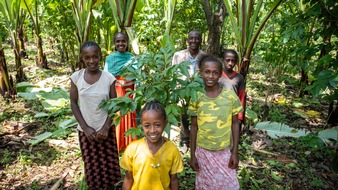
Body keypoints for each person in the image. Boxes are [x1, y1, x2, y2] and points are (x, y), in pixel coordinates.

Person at [70, 41, 121, 189]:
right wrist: (85, 127)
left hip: (106, 129)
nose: (91, 61)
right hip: (87, 132)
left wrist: (106, 127)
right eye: (87, 57)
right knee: (92, 165)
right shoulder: (76, 77)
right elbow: (73, 103)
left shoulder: (109, 78)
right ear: (82, 58)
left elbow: (114, 103)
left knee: (109, 164)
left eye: (95, 57)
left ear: (100, 57)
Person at [188, 54, 243, 189]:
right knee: (205, 185)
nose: (210, 76)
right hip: (203, 152)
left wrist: (234, 152)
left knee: (230, 185)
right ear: (201, 73)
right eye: (207, 72)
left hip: (223, 151)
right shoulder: (196, 96)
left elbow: (235, 124)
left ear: (220, 75)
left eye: (215, 73)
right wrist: (192, 155)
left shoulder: (230, 97)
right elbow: (194, 127)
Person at [120, 100, 184, 190]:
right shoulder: (133, 148)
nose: (152, 130)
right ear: (141, 124)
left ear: (165, 123)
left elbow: (174, 180)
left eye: (157, 125)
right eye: (147, 126)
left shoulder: (172, 150)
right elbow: (128, 178)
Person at [104, 32, 137, 152]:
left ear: (127, 43)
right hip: (116, 91)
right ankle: (117, 144)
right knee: (117, 115)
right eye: (118, 41)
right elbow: (106, 77)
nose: (121, 43)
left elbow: (137, 76)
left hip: (129, 91)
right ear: (114, 44)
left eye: (123, 41)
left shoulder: (132, 58)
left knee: (129, 114)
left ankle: (130, 144)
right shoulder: (110, 59)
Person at [172, 30, 204, 148]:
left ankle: (197, 140)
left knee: (198, 116)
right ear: (187, 40)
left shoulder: (204, 56)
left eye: (196, 38)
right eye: (191, 38)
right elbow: (173, 74)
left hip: (199, 91)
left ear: (200, 40)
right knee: (184, 116)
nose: (194, 41)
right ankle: (185, 140)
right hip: (183, 91)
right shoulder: (179, 55)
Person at [219, 49, 246, 129]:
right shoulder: (216, 75)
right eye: (227, 60)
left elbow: (241, 97)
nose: (230, 63)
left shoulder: (239, 78)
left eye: (233, 61)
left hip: (233, 112)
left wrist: (240, 117)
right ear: (223, 60)